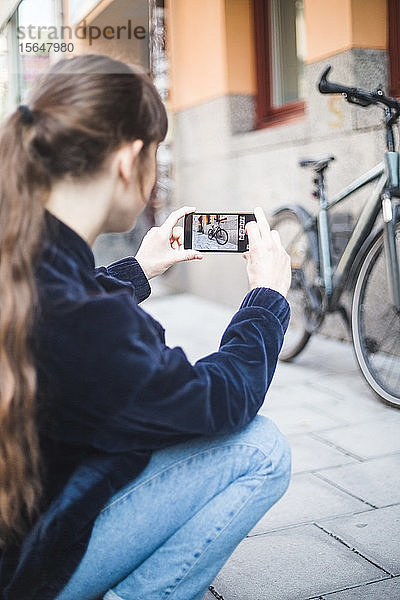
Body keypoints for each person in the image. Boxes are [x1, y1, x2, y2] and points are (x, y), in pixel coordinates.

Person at [0, 54, 291, 600]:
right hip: (25, 571)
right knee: (262, 449)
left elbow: (63, 303)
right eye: (157, 154)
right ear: (131, 160)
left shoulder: (23, 256)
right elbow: (220, 401)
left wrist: (140, 268)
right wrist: (266, 300)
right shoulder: (89, 325)